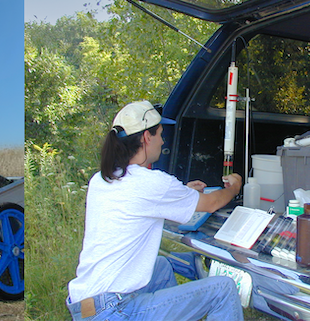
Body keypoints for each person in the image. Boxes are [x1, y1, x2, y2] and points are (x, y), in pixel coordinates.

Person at [66, 101, 244, 320]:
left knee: (160, 266)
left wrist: (182, 193)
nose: (163, 140)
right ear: (146, 138)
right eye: (160, 134)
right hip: (114, 311)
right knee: (223, 290)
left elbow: (140, 201)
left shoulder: (102, 179)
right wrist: (234, 188)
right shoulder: (150, 183)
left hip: (86, 306)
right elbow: (211, 203)